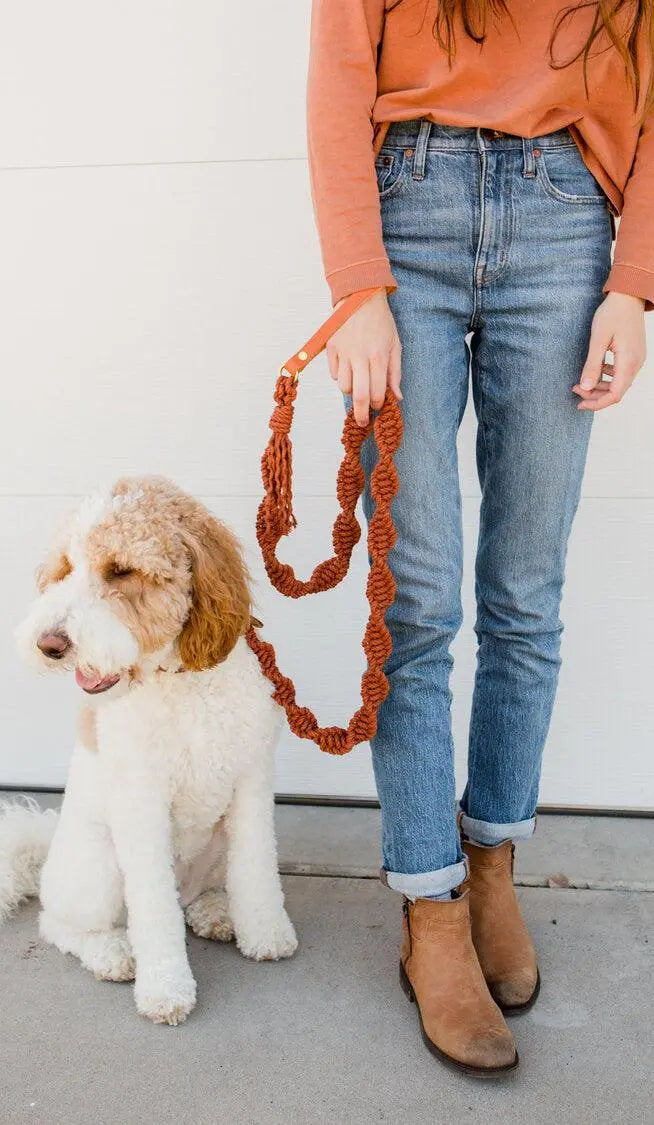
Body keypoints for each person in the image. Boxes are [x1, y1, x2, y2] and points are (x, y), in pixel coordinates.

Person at [307, 0, 649, 1077]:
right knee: (416, 600)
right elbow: (334, 81)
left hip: (564, 219)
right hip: (407, 204)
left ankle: (491, 860)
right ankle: (430, 903)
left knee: (525, 594)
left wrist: (635, 287)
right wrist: (358, 286)